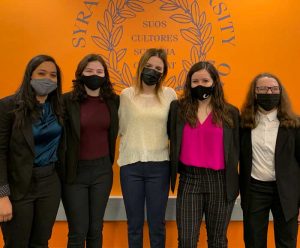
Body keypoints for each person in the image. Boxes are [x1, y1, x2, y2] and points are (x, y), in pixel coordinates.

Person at [169, 61, 240, 248]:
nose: (200, 85)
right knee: (186, 240)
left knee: (217, 240)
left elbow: (237, 148)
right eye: (195, 81)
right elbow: (171, 137)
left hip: (220, 182)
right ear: (189, 84)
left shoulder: (230, 112)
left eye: (205, 80)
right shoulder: (178, 109)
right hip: (189, 180)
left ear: (215, 82)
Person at [0, 55, 65, 247]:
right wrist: (2, 196)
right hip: (18, 187)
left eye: (53, 75)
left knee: (41, 242)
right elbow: (0, 152)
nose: (47, 79)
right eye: (41, 73)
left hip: (50, 185)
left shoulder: (59, 107)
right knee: (16, 243)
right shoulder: (8, 106)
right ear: (30, 76)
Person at [118, 48, 177, 248]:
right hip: (130, 166)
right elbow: (122, 127)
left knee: (157, 224)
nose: (152, 71)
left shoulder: (170, 95)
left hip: (159, 167)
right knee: (134, 225)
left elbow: (173, 130)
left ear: (163, 72)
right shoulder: (126, 95)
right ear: (141, 67)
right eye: (149, 66)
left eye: (158, 68)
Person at [62, 54, 119, 248]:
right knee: (78, 231)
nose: (94, 75)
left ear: (105, 75)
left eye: (99, 71)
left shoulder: (113, 101)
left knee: (95, 229)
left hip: (102, 172)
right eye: (89, 71)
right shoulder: (66, 101)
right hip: (74, 173)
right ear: (80, 74)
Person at [240, 73, 300, 248]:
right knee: (253, 242)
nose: (269, 92)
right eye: (263, 89)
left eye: (274, 89)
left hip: (287, 192)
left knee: (287, 242)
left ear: (281, 92)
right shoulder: (243, 123)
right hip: (254, 190)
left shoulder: (294, 125)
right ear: (255, 93)